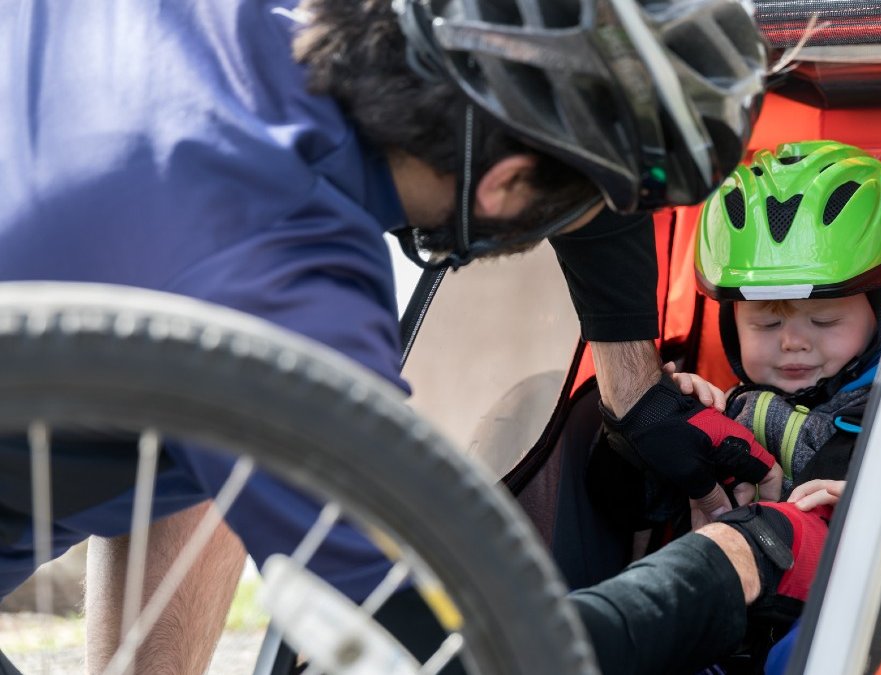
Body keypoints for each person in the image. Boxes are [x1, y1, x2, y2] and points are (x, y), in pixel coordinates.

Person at [0, 0, 783, 671]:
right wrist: (722, 567)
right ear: (507, 183)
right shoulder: (302, 299)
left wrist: (634, 387)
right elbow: (449, 648)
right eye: (585, 205)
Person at [664, 139, 881, 671]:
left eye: (824, 321)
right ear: (730, 328)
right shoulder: (723, 401)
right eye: (766, 323)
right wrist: (674, 413)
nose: (793, 343)